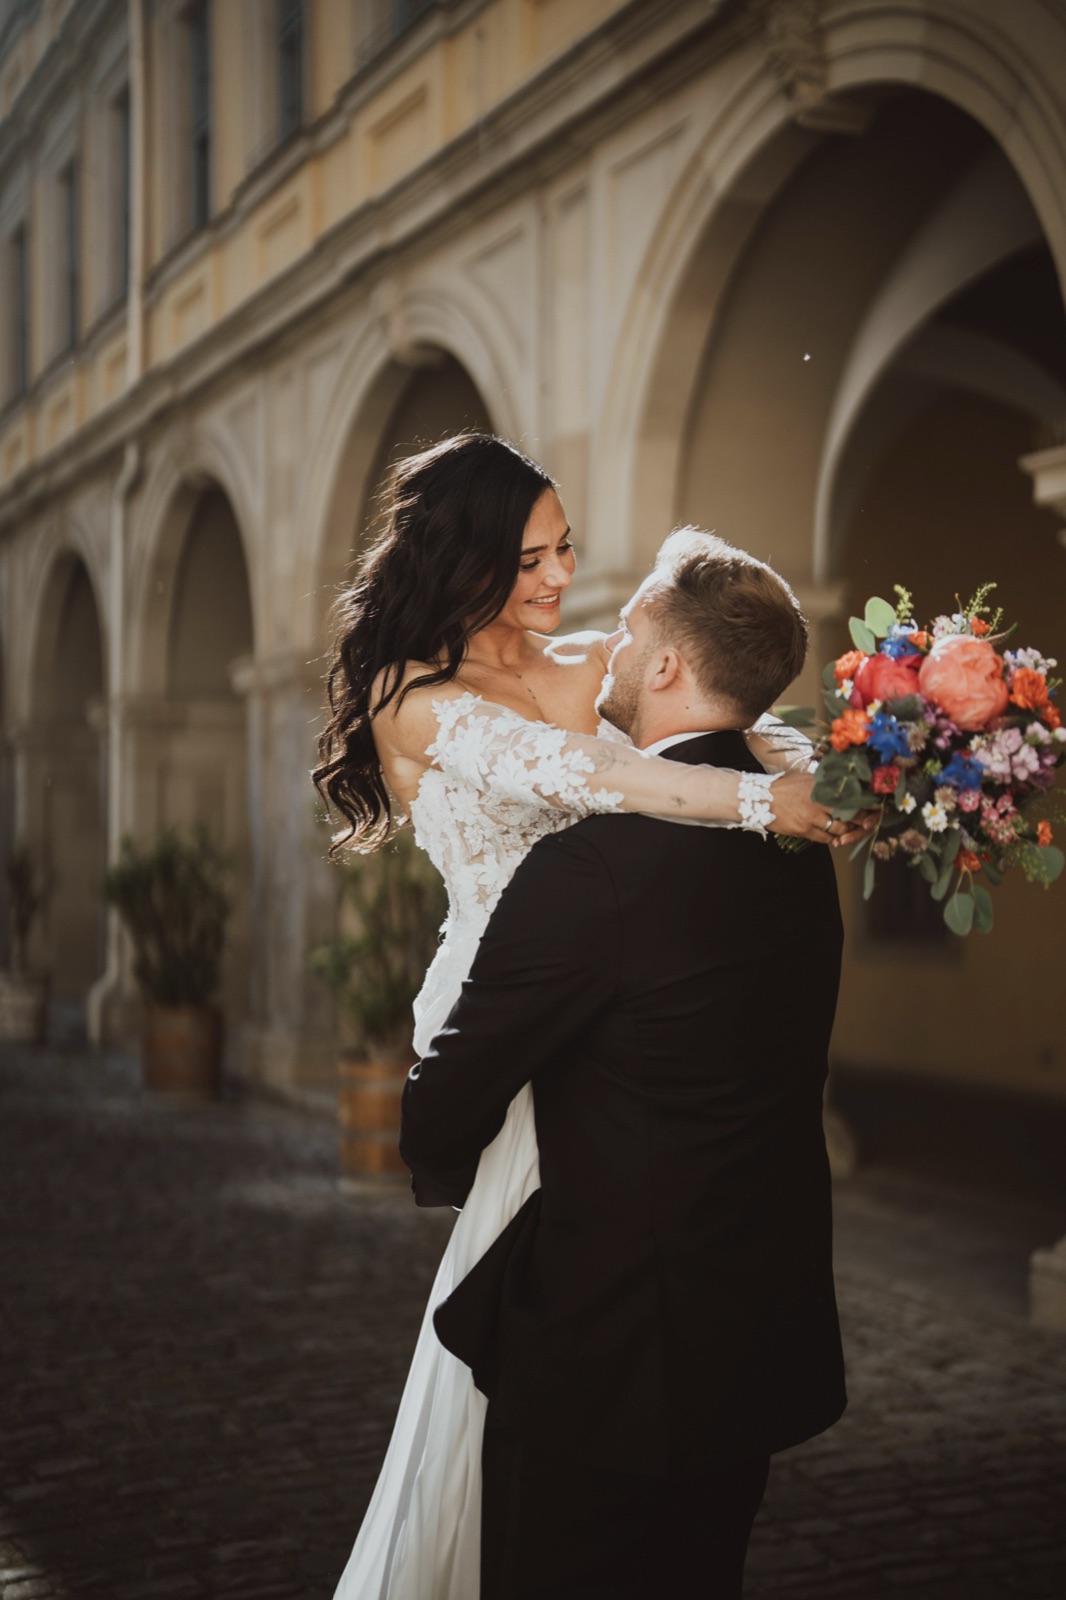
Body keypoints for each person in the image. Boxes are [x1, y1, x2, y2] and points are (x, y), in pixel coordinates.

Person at [315, 434, 855, 1599]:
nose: (559, 578)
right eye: (528, 558)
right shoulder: (413, 699)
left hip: (608, 1017)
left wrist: (872, 764)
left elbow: (718, 717)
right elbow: (614, 784)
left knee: (584, 1297)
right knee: (527, 1317)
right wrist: (768, 802)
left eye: (566, 547)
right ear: (463, 559)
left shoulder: (591, 664)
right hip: (501, 1010)